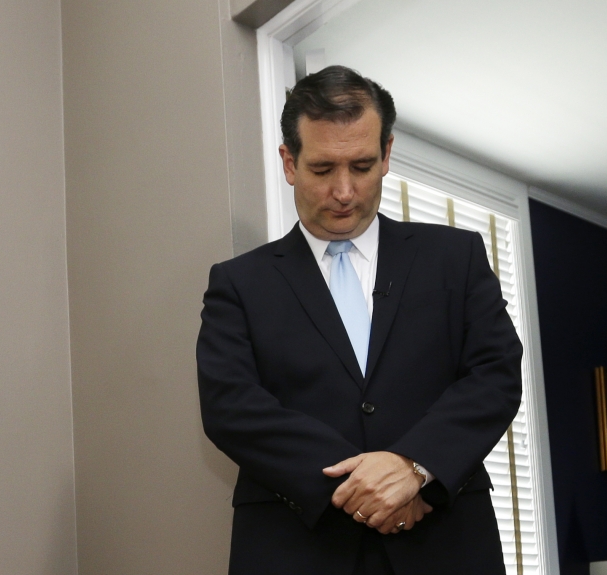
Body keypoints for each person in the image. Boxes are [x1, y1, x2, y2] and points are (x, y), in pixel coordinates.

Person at [196, 65, 523, 574]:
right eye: (323, 169)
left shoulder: (455, 257)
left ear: (387, 154)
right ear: (289, 162)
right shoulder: (239, 283)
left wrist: (415, 467)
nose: (344, 192)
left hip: (443, 542)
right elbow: (230, 406)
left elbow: (496, 375)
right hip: (295, 548)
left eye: (363, 166)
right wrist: (364, 487)